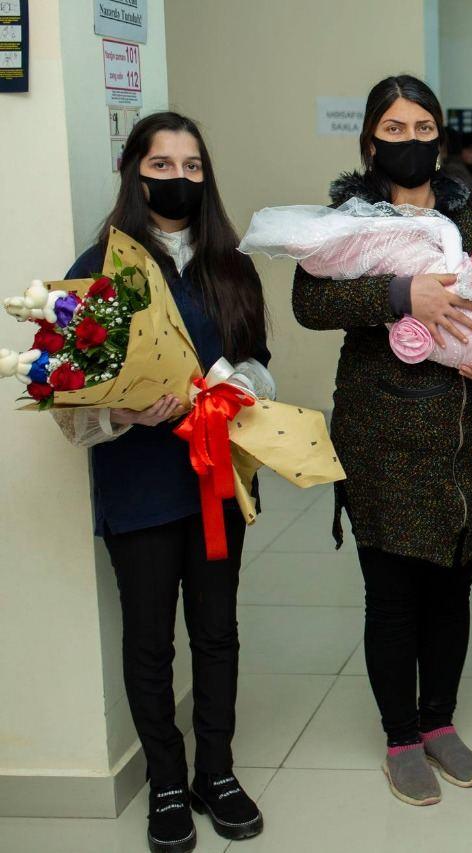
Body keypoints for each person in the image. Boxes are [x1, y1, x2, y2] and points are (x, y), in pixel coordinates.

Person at [292, 75, 472, 807]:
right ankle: (401, 736)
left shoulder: (470, 213)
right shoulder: (351, 219)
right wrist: (401, 294)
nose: (410, 141)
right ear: (370, 142)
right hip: (382, 433)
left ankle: (439, 721)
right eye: (394, 129)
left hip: (463, 431)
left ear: (440, 138)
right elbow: (310, 301)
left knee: (453, 589)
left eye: (423, 127)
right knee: (393, 596)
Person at [59, 112, 269, 853]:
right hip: (139, 484)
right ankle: (168, 781)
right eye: (162, 165)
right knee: (149, 640)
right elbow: (69, 397)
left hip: (216, 481)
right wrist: (119, 409)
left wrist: (230, 383)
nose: (179, 179)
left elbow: (262, 365)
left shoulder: (231, 265)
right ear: (133, 172)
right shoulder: (100, 269)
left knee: (217, 631)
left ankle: (217, 771)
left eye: (192, 167)